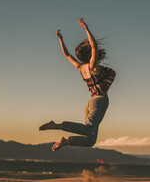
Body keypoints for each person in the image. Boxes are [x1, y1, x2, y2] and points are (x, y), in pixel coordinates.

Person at [39, 18, 116, 151]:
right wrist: (86, 28)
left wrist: (60, 39)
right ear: (91, 55)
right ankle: (57, 126)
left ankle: (66, 141)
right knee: (88, 130)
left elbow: (67, 55)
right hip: (100, 101)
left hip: (90, 103)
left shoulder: (81, 68)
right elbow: (94, 46)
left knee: (90, 140)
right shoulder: (93, 68)